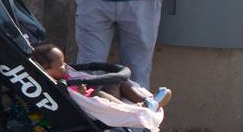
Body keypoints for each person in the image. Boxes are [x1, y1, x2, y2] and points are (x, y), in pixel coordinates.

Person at [30, 43, 171, 111]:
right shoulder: (54, 84)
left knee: (119, 80)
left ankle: (147, 102)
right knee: (99, 93)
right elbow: (71, 96)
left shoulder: (66, 76)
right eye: (61, 64)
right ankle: (135, 110)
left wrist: (83, 88)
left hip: (97, 100)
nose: (66, 66)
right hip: (93, 107)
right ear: (46, 70)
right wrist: (80, 92)